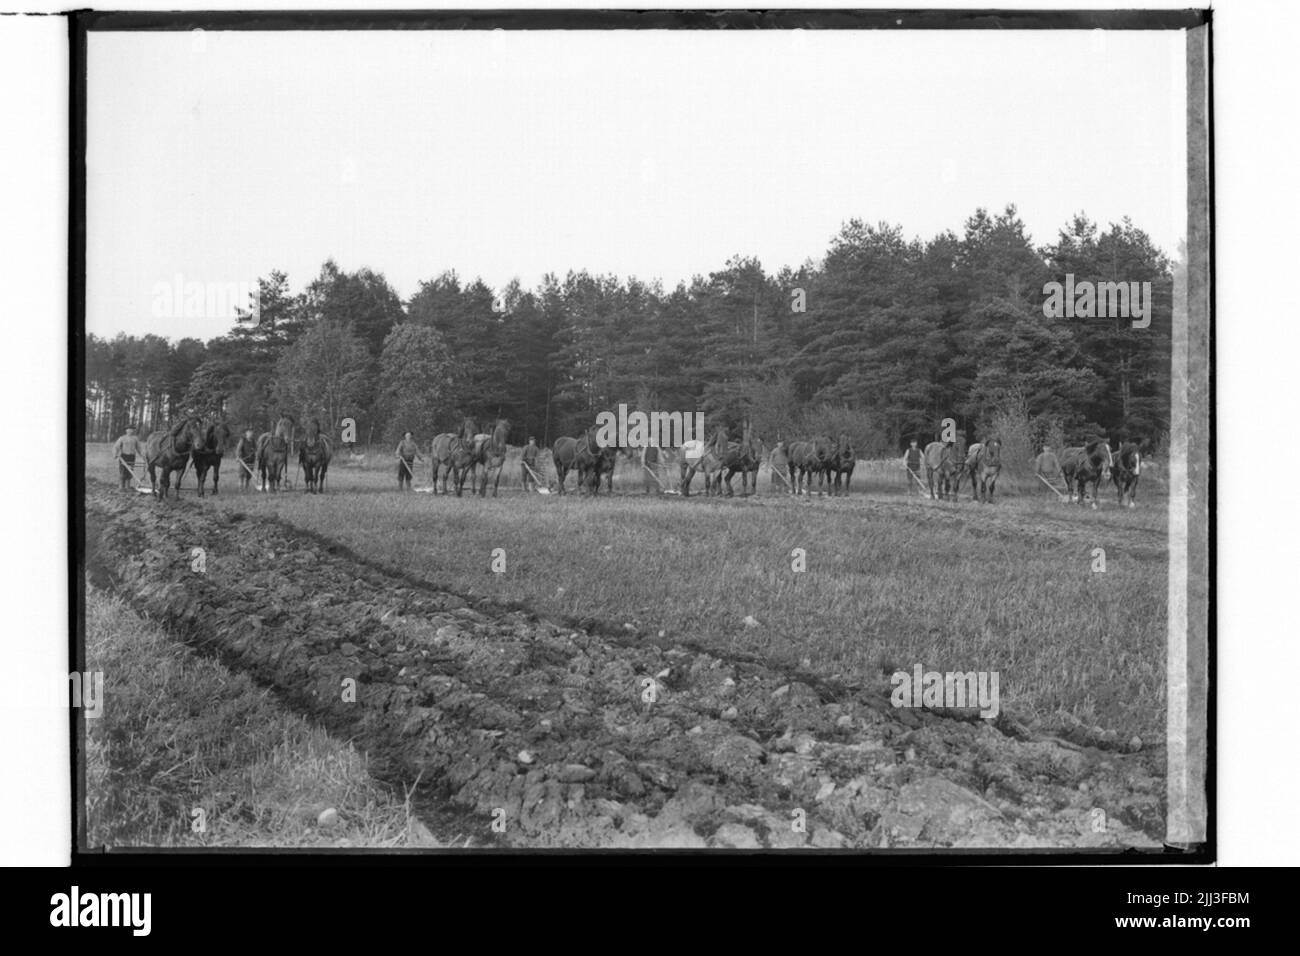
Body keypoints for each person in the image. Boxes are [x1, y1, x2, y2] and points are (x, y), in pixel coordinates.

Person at [111, 425, 145, 490]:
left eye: (131, 429)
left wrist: (143, 456)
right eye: (128, 429)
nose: (130, 431)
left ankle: (127, 486)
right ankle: (121, 487)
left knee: (130, 471)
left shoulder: (135, 438)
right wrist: (115, 454)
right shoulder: (122, 438)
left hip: (132, 457)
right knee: (123, 471)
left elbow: (139, 448)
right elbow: (116, 447)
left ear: (133, 431)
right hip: (124, 457)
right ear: (126, 430)